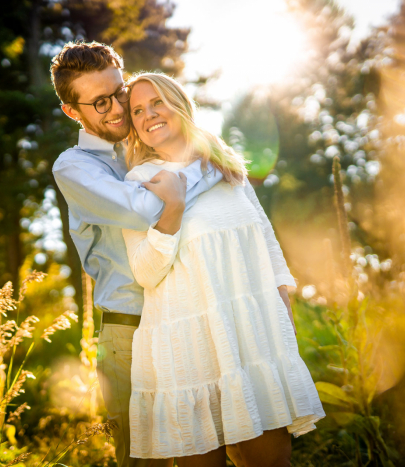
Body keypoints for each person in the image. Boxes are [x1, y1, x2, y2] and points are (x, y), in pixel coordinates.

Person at [121, 73, 326, 467]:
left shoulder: (224, 164)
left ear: (179, 105)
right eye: (138, 111)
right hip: (187, 347)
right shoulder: (139, 183)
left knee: (271, 461)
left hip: (251, 336)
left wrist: (283, 307)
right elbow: (146, 272)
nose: (149, 115)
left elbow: (265, 240)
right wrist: (174, 208)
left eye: (157, 102)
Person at [50, 42, 224, 467]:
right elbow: (146, 207)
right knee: (145, 460)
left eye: (120, 92)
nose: (117, 108)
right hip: (129, 332)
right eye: (99, 102)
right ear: (73, 112)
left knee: (207, 447)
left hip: (186, 319)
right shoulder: (74, 167)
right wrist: (211, 166)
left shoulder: (148, 144)